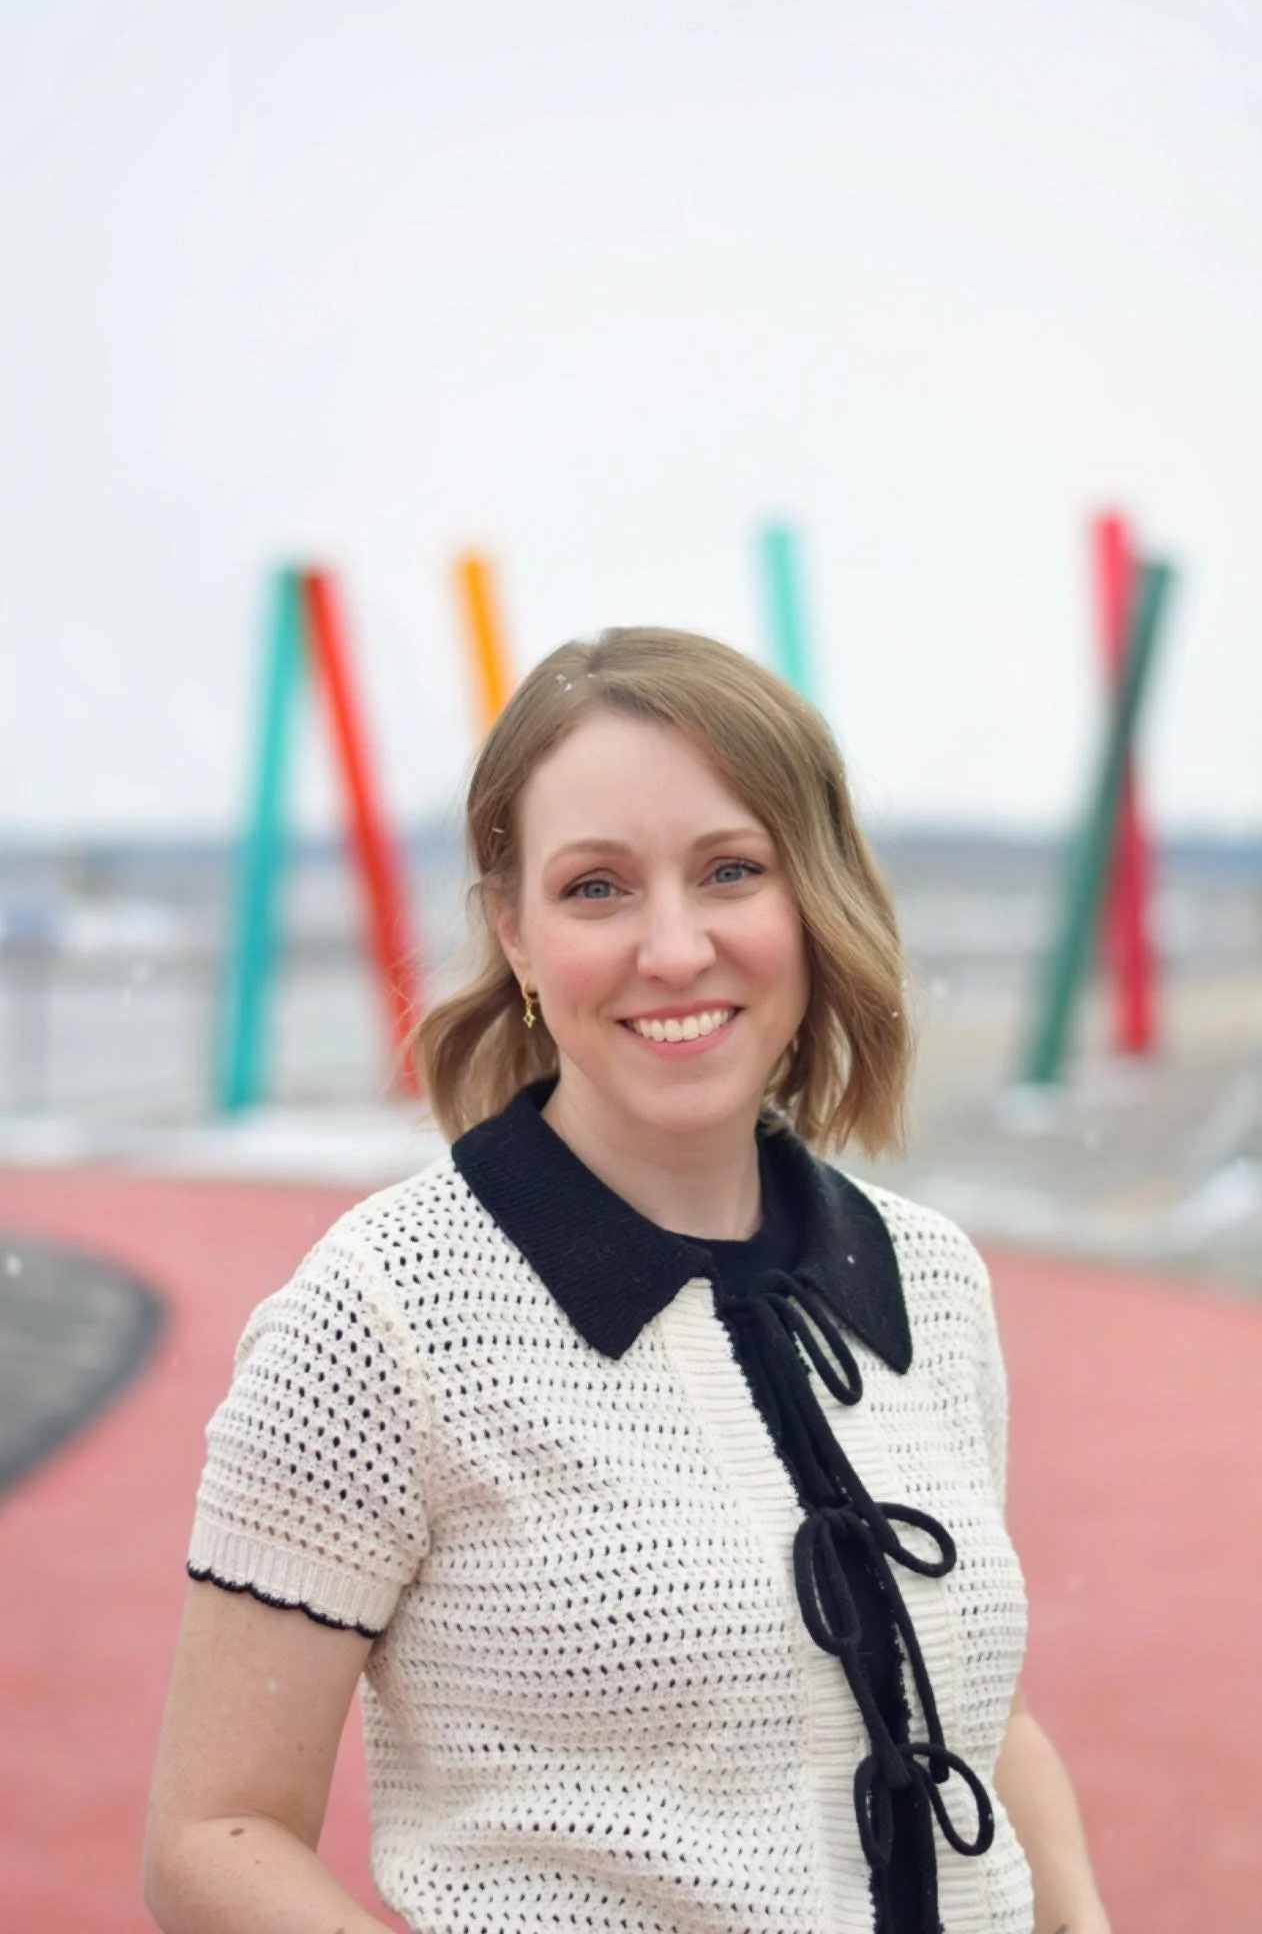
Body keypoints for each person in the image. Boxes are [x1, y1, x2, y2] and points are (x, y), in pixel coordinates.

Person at [145, 626, 1111, 1934]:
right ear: (516, 933)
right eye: (596, 888)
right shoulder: (383, 1313)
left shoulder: (928, 1279)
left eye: (730, 871)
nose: (673, 949)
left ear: (811, 898)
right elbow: (215, 1837)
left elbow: (985, 1718)